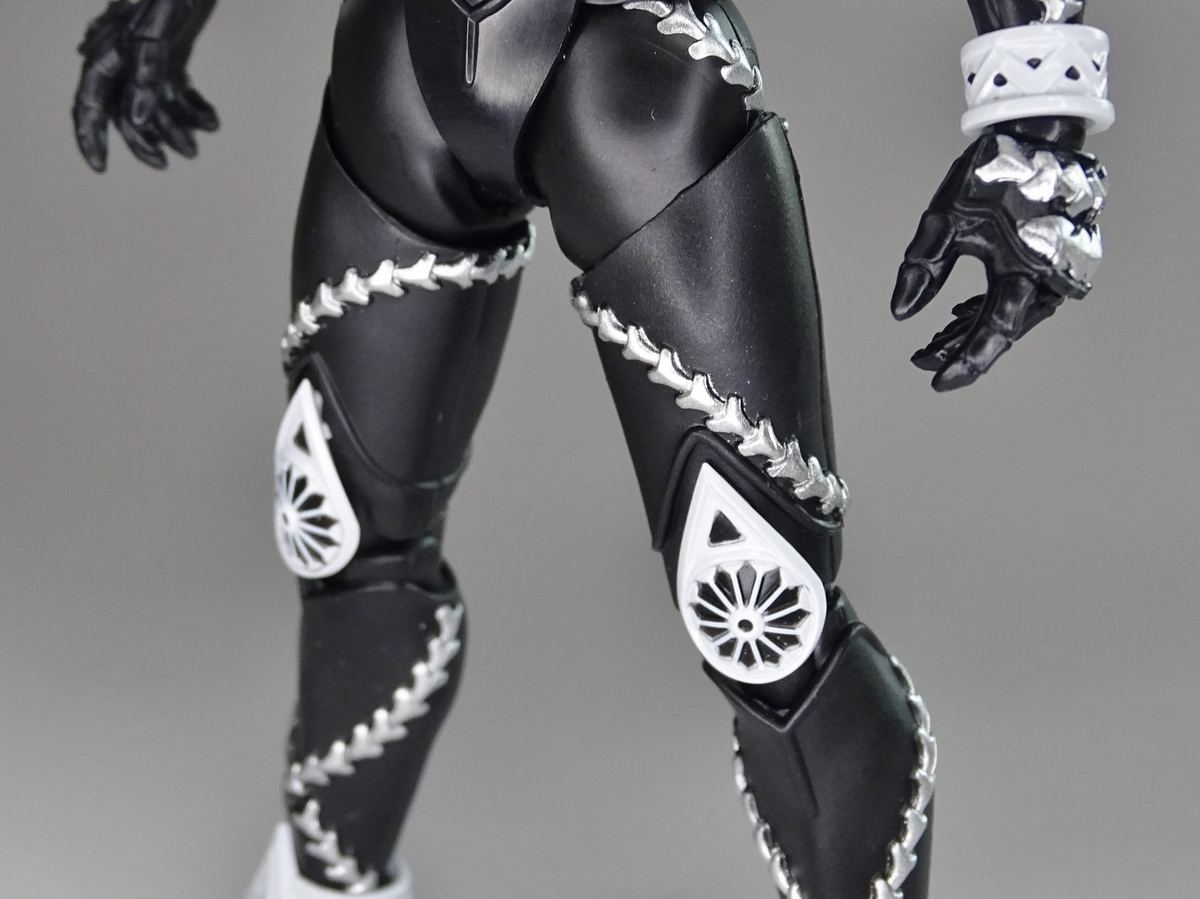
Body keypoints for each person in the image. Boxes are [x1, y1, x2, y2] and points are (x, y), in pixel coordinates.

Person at [70, 1, 1112, 897]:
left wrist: (1039, 118)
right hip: (402, 61)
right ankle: (319, 878)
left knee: (760, 608)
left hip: (629, 70)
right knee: (340, 534)